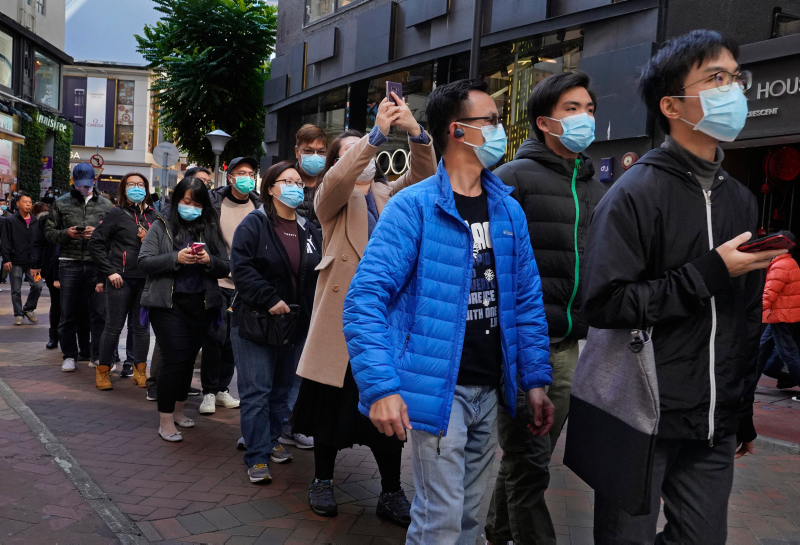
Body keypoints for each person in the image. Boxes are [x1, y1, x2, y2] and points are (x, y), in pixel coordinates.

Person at [581, 30, 787, 543]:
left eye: (735, 77)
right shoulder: (633, 193)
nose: (733, 90)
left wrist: (740, 410)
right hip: (640, 414)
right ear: (672, 105)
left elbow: (745, 317)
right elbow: (605, 304)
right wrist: (710, 272)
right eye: (715, 78)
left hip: (712, 422)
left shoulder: (741, 199)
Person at [341, 79, 553, 544]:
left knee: (470, 522)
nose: (500, 129)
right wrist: (380, 387)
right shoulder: (412, 207)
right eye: (491, 121)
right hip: (440, 390)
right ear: (457, 130)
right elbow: (364, 300)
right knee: (440, 519)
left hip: (490, 388)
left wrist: (535, 380)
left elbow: (526, 301)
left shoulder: (508, 210)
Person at [291, 92, 436, 524]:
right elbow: (337, 181)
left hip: (387, 323)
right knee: (330, 411)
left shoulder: (390, 194)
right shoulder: (330, 199)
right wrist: (373, 137)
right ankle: (322, 481)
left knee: (388, 411)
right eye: (350, 152)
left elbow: (426, 176)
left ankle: (391, 491)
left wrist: (415, 131)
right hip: (340, 323)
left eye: (366, 148)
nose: (363, 156)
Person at [485, 72, 607, 545]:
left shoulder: (595, 186)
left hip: (573, 344)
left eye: (589, 109)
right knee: (531, 462)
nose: (584, 118)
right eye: (571, 109)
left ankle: (497, 531)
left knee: (527, 457)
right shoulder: (512, 178)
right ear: (543, 121)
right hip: (524, 345)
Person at [230, 161, 321, 483]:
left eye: (299, 183)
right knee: (257, 392)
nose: (296, 187)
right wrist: (269, 299)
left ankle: (269, 441)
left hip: (295, 324)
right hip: (256, 323)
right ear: (270, 188)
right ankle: (256, 456)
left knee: (281, 393)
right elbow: (241, 268)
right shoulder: (254, 224)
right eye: (287, 181)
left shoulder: (309, 229)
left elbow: (315, 274)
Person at [138, 176, 229, 442]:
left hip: (202, 303)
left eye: (197, 203)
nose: (191, 207)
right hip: (168, 304)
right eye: (186, 201)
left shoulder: (210, 227)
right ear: (177, 200)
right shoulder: (161, 225)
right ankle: (165, 419)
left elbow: (225, 265)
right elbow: (144, 262)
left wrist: (209, 260)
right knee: (175, 358)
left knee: (188, 359)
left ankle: (178, 411)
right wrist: (175, 258)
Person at [200, 157, 259, 416]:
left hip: (246, 284)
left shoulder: (259, 206)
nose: (247, 177)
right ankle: (209, 391)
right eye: (241, 173)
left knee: (234, 340)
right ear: (230, 177)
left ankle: (222, 388)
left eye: (251, 173)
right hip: (218, 278)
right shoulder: (215, 203)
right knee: (215, 337)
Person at [88, 173, 158, 391]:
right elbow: (96, 243)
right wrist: (109, 272)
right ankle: (103, 371)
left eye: (140, 184)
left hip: (145, 279)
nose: (136, 188)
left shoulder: (154, 216)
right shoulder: (115, 213)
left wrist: (149, 238)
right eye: (131, 184)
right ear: (123, 189)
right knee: (113, 327)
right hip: (120, 278)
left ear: (146, 188)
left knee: (141, 328)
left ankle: (140, 372)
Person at [45, 164, 113, 372]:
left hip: (96, 263)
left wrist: (97, 234)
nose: (84, 188)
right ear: (73, 181)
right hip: (69, 261)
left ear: (94, 181)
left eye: (87, 184)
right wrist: (67, 233)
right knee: (67, 312)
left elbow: (114, 235)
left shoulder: (106, 205)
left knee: (99, 313)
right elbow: (49, 232)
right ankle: (69, 355)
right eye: (80, 184)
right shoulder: (60, 202)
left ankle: (97, 355)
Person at [760, 247, 800, 388]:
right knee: (762, 347)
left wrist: (757, 310)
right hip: (781, 314)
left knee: (788, 353)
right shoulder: (790, 262)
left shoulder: (780, 265)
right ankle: (748, 385)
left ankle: (748, 385)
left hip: (780, 315)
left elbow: (770, 293)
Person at [1, 191, 43, 325]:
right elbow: (5, 241)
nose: (28, 204)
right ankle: (18, 314)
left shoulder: (36, 221)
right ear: (18, 204)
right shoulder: (10, 221)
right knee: (16, 290)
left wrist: (40, 260)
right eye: (25, 202)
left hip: (34, 263)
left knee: (38, 286)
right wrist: (6, 259)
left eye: (30, 202)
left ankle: (28, 308)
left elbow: (40, 242)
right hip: (15, 261)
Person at [294, 124, 328, 228]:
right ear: (297, 152)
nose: (315, 156)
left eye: (321, 152)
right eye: (309, 151)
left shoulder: (331, 184)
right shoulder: (283, 182)